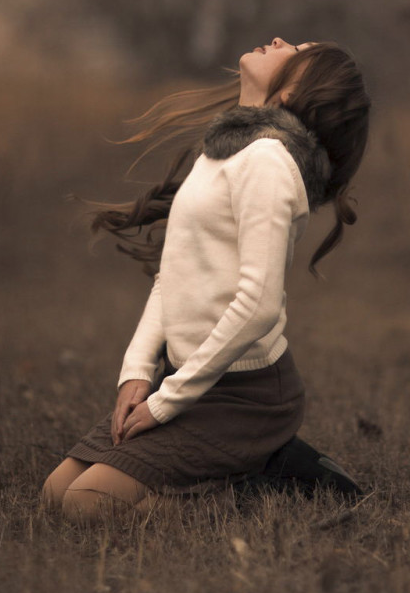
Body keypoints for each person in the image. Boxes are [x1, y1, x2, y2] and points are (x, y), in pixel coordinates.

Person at [41, 37, 371, 522]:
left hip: (245, 395)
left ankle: (263, 483)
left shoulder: (268, 164)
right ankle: (257, 463)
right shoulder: (224, 152)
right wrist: (136, 373)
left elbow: (258, 306)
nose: (280, 40)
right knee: (56, 493)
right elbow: (173, 272)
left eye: (296, 50)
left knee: (86, 506)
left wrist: (166, 404)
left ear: (291, 94)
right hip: (190, 379)